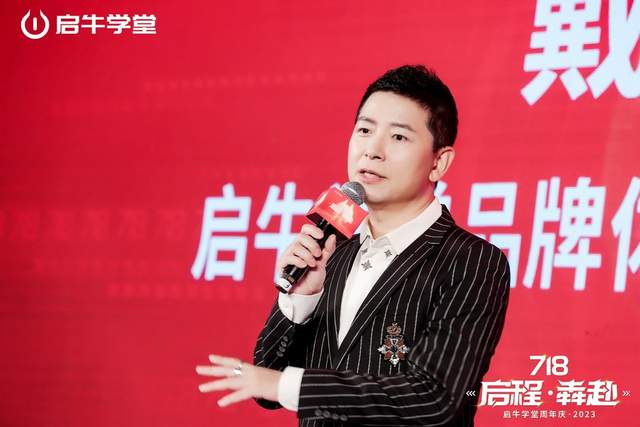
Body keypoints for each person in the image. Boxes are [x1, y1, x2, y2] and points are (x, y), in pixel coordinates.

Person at [196, 64, 511, 426]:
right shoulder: (333, 249)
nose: (372, 151)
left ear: (439, 163)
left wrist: (288, 385)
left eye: (398, 137)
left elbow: (435, 398)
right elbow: (266, 384)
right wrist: (301, 300)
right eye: (364, 130)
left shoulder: (471, 261)